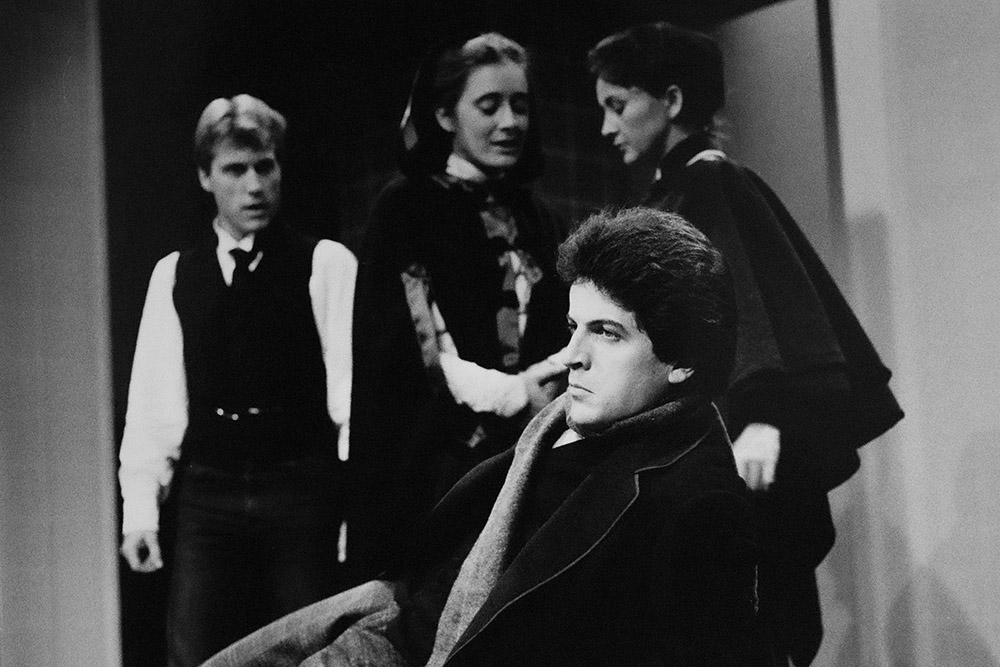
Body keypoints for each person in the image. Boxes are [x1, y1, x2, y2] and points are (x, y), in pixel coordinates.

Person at [203, 206, 763, 667]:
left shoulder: (698, 501)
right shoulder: (559, 428)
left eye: (607, 334)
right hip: (398, 618)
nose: (573, 357)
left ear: (683, 360)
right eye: (574, 328)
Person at [588, 22, 904, 666]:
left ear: (671, 101)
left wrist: (761, 414)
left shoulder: (714, 184)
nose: (604, 127)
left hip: (739, 448)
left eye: (618, 105)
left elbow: (761, 309)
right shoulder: (669, 194)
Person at [117, 94, 357, 667]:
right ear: (206, 177)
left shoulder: (325, 264)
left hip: (299, 490)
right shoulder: (176, 275)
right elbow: (154, 407)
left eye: (265, 167)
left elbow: (353, 401)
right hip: (210, 497)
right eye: (235, 169)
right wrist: (140, 512)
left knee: (312, 653)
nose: (254, 186)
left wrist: (355, 507)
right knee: (195, 654)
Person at [347, 33, 569, 575]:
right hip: (440, 467)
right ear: (446, 115)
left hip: (533, 459)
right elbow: (412, 344)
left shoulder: (540, 218)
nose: (510, 122)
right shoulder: (407, 208)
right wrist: (511, 392)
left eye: (520, 105)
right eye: (489, 106)